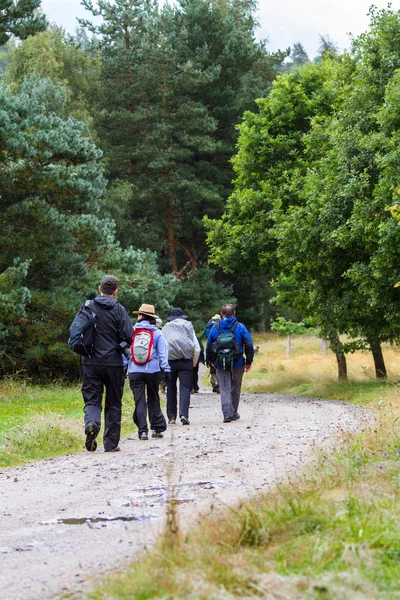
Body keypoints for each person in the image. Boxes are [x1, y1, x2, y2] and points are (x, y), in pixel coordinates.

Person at [75, 275, 134, 452]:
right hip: (114, 363)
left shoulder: (87, 307)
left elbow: (77, 331)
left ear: (100, 288)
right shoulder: (119, 309)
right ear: (115, 291)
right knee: (114, 402)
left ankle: (92, 423)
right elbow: (129, 335)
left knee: (92, 398)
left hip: (91, 362)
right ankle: (110, 444)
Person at [206, 303, 254, 423]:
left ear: (222, 314)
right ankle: (233, 412)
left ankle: (226, 414)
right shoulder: (240, 327)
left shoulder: (215, 327)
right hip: (237, 362)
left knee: (224, 387)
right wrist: (248, 361)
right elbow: (249, 345)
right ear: (234, 313)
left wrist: (211, 362)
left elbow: (208, 346)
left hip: (220, 363)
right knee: (235, 388)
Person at [128, 304, 170, 440]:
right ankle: (157, 428)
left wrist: (124, 368)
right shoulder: (157, 332)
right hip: (152, 370)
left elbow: (126, 352)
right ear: (152, 317)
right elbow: (163, 354)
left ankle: (142, 431)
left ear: (140, 316)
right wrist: (166, 369)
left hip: (135, 370)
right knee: (153, 398)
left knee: (139, 401)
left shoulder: (132, 331)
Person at [162, 307, 200, 425]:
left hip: (170, 361)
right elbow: (196, 347)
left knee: (171, 388)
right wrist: (193, 363)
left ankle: (171, 417)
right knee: (185, 388)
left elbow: (163, 345)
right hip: (185, 361)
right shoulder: (188, 325)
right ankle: (184, 414)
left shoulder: (166, 328)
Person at [204, 314, 221, 393]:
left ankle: (215, 384)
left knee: (213, 368)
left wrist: (207, 359)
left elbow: (208, 343)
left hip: (212, 350)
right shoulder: (224, 326)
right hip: (222, 350)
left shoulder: (211, 326)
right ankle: (221, 385)